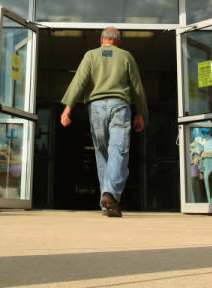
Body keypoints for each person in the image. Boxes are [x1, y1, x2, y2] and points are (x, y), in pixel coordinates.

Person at [60, 27, 147, 217]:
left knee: (102, 155)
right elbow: (137, 86)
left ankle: (106, 203)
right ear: (118, 42)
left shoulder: (90, 55)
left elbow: (79, 81)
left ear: (102, 40)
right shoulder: (126, 56)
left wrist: (67, 109)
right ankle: (110, 194)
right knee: (119, 150)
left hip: (96, 108)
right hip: (119, 107)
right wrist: (140, 113)